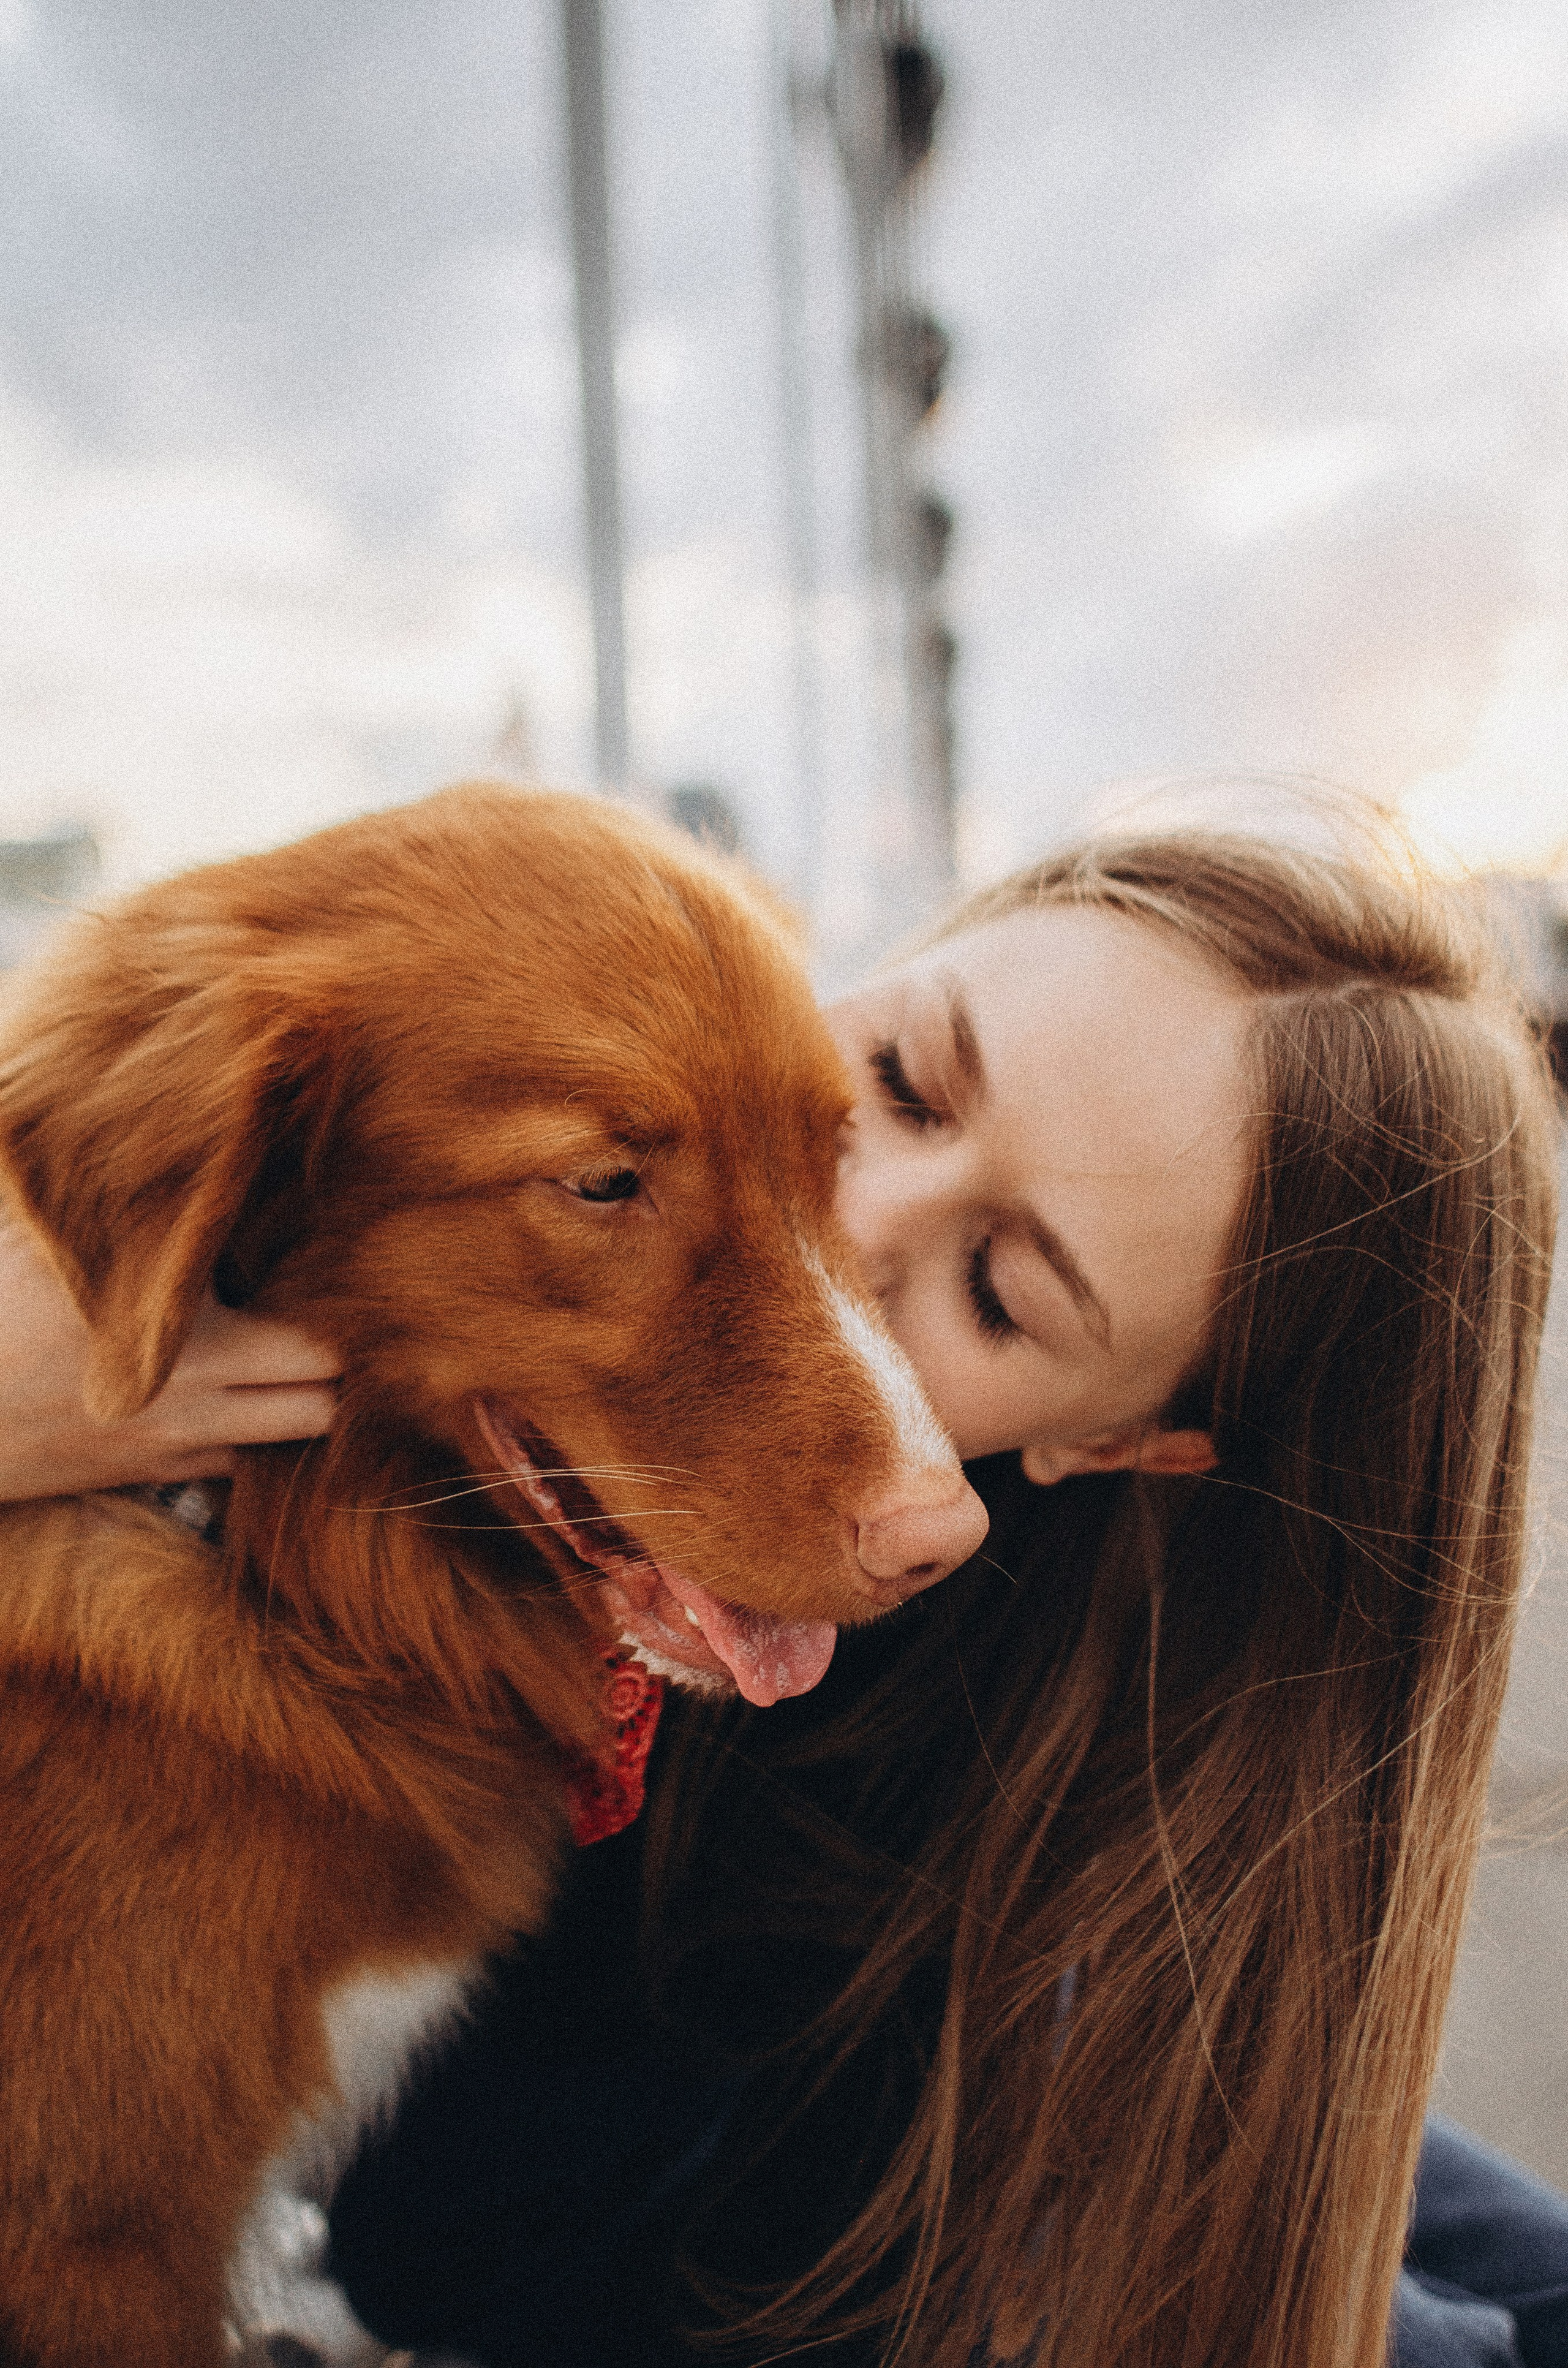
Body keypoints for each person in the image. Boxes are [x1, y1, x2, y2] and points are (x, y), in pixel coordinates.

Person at [2, 804, 1562, 2367]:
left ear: (1126, 1443)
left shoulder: (971, 1847)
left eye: (995, 1294)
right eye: (885, 1085)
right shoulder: (390, 1191)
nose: (845, 1229)